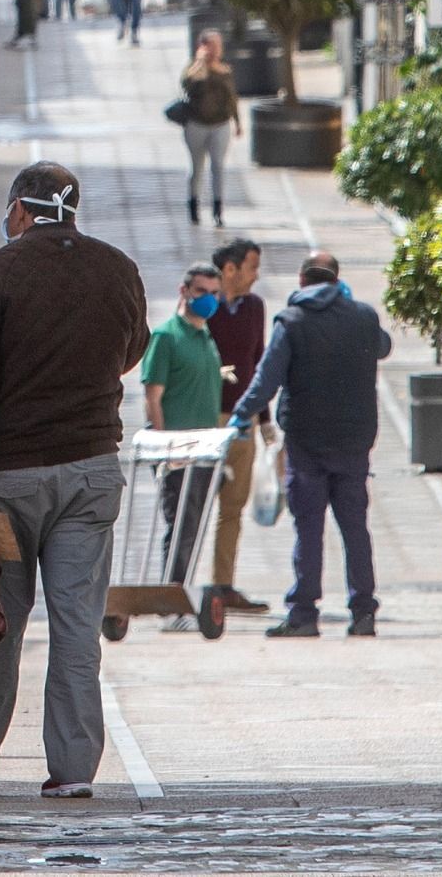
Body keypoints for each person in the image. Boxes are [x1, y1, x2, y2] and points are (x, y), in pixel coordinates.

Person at [0, 162, 149, 799]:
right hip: (90, 475)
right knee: (78, 628)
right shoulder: (117, 270)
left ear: (21, 212)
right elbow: (134, 346)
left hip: (7, 485)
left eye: (8, 215)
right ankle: (74, 770)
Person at [231, 253, 392, 638]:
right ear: (337, 280)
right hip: (354, 441)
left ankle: (304, 613)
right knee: (355, 527)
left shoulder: (292, 322)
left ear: (302, 280)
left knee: (309, 529)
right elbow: (383, 347)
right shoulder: (364, 317)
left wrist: (241, 415)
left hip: (307, 442)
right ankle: (363, 611)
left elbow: (266, 379)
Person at [141, 264, 224, 617]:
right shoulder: (166, 336)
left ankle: (179, 594)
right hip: (178, 453)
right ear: (185, 290)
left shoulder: (206, 338)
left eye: (214, 293)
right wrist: (165, 450)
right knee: (180, 528)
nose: (208, 300)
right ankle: (172, 602)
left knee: (193, 526)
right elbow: (152, 396)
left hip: (206, 451)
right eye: (202, 292)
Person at [207, 238, 271, 615]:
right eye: (251, 267)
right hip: (205, 420)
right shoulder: (203, 306)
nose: (256, 275)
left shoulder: (254, 307)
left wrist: (264, 420)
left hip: (242, 421)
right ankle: (176, 587)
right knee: (192, 506)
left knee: (233, 507)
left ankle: (222, 585)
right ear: (229, 269)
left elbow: (258, 360)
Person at [180, 29, 242, 227]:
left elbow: (232, 98)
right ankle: (193, 205)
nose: (216, 49)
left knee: (218, 166)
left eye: (218, 44)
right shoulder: (194, 68)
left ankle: (218, 208)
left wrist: (238, 122)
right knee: (196, 167)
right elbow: (187, 86)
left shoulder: (225, 70)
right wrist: (200, 63)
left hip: (221, 125)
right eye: (212, 45)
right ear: (203, 46)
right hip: (196, 124)